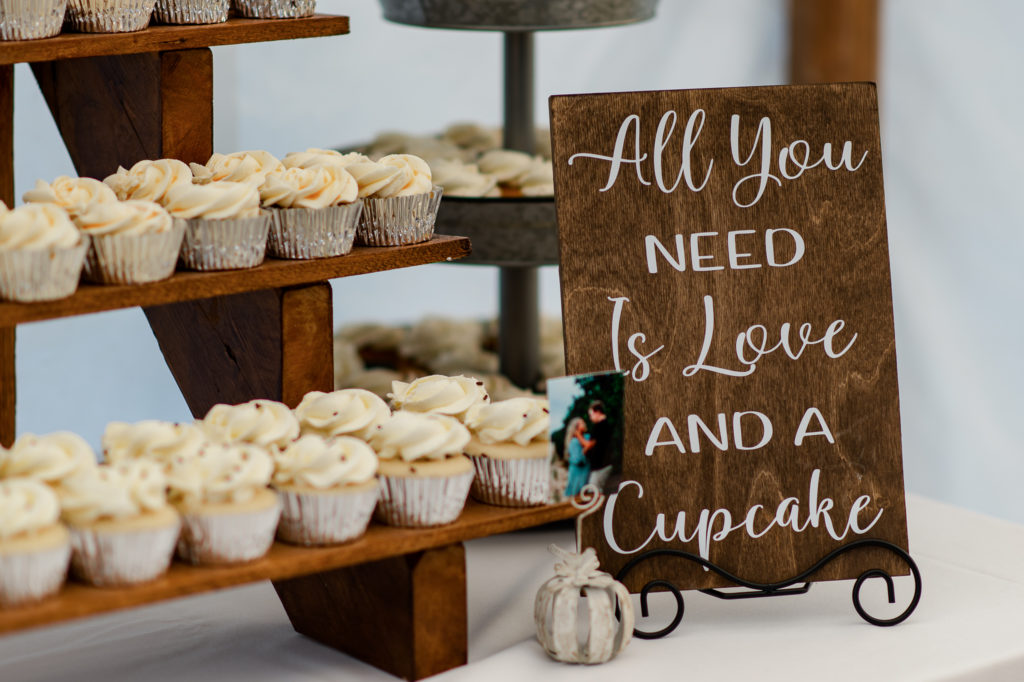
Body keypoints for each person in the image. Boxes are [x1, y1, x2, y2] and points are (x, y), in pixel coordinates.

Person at [582, 400, 615, 492]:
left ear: (597, 412)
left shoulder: (599, 426)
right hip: (603, 464)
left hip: (600, 466)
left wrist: (578, 436)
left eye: (591, 415)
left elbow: (590, 444)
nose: (590, 418)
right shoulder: (607, 424)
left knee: (593, 493)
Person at [563, 417, 591, 497]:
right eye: (582, 423)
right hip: (577, 472)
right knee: (577, 496)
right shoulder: (574, 441)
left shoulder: (587, 437)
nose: (584, 424)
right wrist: (584, 452)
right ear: (576, 427)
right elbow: (577, 459)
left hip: (584, 470)